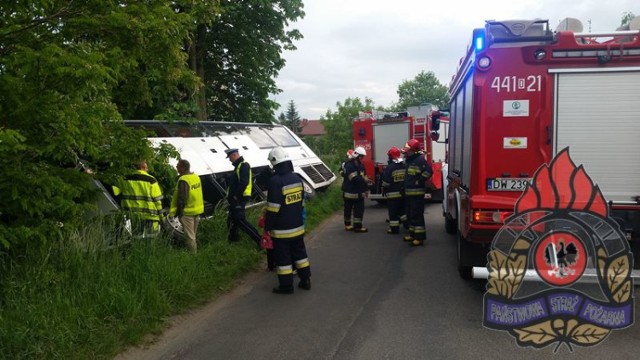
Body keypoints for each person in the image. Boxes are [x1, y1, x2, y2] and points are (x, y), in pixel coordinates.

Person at [265, 147, 311, 294]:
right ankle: (306, 280)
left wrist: (267, 226)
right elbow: (301, 203)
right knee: (300, 255)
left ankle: (286, 286)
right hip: (298, 227)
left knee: (283, 259)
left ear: (275, 163)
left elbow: (273, 208)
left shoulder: (275, 181)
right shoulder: (297, 178)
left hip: (281, 231)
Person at [115, 160, 164, 238]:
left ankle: (136, 249)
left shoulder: (124, 178)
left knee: (136, 236)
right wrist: (161, 216)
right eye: (147, 168)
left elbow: (115, 192)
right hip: (150, 214)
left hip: (133, 214)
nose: (147, 170)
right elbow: (157, 200)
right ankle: (149, 250)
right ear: (142, 168)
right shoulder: (151, 180)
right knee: (151, 237)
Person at [225, 148, 261, 247]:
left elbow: (244, 182)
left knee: (239, 220)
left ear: (234, 155)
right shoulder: (238, 166)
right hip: (236, 198)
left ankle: (259, 240)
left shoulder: (243, 165)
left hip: (240, 197)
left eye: (229, 157)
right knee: (232, 219)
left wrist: (236, 196)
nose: (229, 160)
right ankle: (233, 241)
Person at [169, 159, 204, 252]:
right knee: (193, 235)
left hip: (187, 212)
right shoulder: (196, 177)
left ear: (183, 167)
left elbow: (182, 198)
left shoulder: (184, 179)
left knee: (189, 237)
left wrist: (179, 212)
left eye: (178, 166)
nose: (176, 167)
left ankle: (193, 257)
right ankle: (194, 252)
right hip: (197, 210)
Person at [403, 139, 433, 246]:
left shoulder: (420, 160)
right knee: (410, 215)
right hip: (409, 194)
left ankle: (419, 237)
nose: (407, 152)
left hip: (417, 194)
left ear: (414, 150)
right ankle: (412, 234)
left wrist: (420, 180)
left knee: (417, 215)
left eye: (408, 150)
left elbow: (429, 171)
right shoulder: (409, 160)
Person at [341, 146, 369, 233]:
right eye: (361, 156)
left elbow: (364, 176)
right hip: (350, 193)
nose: (362, 158)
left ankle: (357, 227)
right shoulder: (349, 166)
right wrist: (364, 179)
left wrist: (366, 189)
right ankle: (348, 225)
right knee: (348, 210)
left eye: (362, 157)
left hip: (359, 193)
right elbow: (354, 179)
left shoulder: (361, 166)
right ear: (356, 156)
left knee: (359, 211)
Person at [381, 146, 407, 234]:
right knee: (403, 211)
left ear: (391, 156)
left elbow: (386, 183)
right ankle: (407, 225)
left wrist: (383, 187)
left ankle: (394, 229)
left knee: (393, 213)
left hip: (392, 195)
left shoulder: (390, 168)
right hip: (403, 194)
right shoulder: (404, 165)